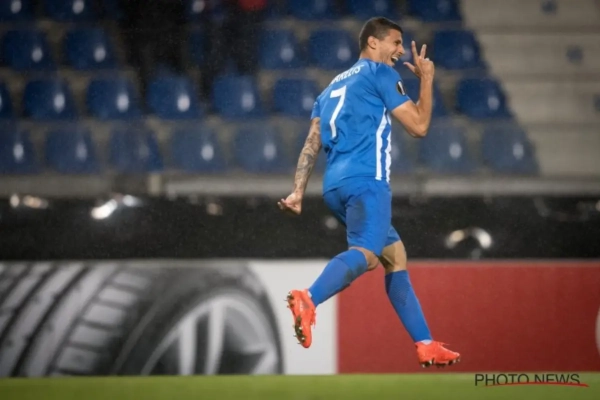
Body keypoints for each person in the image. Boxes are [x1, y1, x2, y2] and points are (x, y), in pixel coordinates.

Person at [277, 17, 460, 368]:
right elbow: (419, 127)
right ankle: (309, 298)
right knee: (368, 255)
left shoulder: (328, 90)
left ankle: (425, 343)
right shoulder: (380, 74)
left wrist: (298, 191)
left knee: (395, 255)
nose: (401, 51)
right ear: (373, 42)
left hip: (334, 186)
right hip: (367, 182)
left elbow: (311, 143)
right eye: (396, 42)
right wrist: (427, 80)